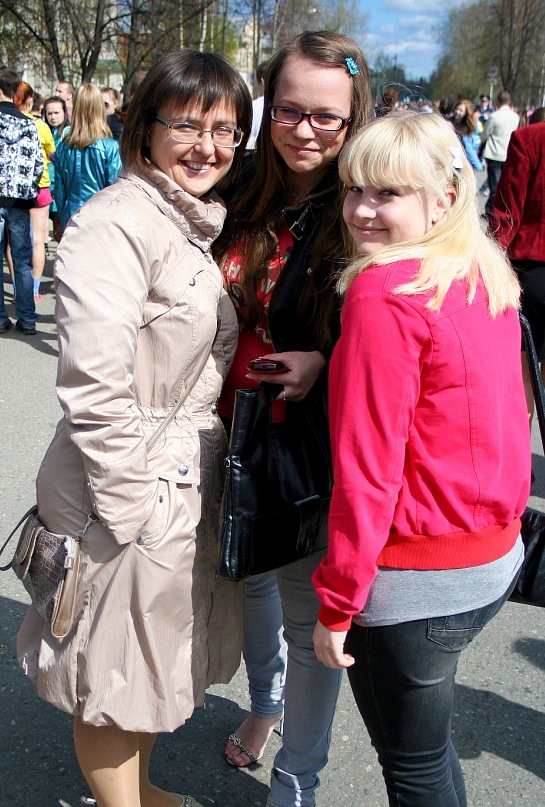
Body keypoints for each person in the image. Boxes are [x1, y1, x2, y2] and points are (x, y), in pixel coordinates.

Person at [16, 50, 252, 807]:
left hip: (175, 480)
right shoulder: (116, 222)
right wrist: (132, 506)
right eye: (185, 125)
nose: (206, 146)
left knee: (145, 664)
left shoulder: (184, 221)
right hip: (123, 487)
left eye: (224, 129)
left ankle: (141, 790)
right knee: (108, 673)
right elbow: (93, 384)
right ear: (144, 128)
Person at [312, 110, 530, 807]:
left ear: (443, 199)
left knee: (413, 767)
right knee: (427, 759)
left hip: (415, 577)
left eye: (387, 193)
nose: (361, 210)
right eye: (354, 188)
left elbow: (367, 469)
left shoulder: (384, 292)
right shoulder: (476, 269)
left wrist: (337, 602)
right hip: (490, 556)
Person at [213, 30, 373, 807]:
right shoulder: (239, 182)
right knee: (249, 579)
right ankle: (264, 702)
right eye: (287, 110)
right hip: (223, 424)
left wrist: (326, 363)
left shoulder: (364, 202)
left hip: (306, 441)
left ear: (353, 119)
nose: (304, 130)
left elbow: (406, 326)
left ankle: (296, 779)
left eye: (325, 116)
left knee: (307, 615)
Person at [489, 109, 545, 419]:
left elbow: (507, 211)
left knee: (525, 371)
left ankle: (520, 446)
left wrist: (489, 263)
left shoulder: (529, 139)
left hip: (533, 269)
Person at [0, 68, 42, 336]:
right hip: (19, 201)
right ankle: (27, 318)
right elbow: (38, 164)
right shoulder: (29, 124)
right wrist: (28, 188)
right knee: (22, 261)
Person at [54, 83, 121, 234]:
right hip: (101, 218)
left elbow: (59, 191)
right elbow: (115, 188)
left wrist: (64, 218)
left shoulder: (63, 148)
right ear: (99, 108)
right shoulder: (110, 147)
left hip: (72, 215)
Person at [13, 81, 56, 300]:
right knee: (39, 239)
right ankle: (34, 289)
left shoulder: (7, 122)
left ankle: (18, 288)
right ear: (30, 100)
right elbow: (52, 153)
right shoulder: (40, 126)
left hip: (15, 189)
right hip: (40, 185)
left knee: (14, 242)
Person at [481, 89, 519, 216]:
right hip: (508, 153)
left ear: (498, 101)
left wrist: (480, 144)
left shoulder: (494, 116)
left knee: (494, 186)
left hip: (494, 153)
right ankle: (497, 208)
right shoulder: (515, 117)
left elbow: (485, 134)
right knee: (504, 184)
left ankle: (491, 210)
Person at [44, 95, 70, 242]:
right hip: (46, 185)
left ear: (64, 113)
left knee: (60, 231)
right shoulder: (44, 130)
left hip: (61, 187)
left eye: (56, 113)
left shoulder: (68, 133)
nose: (53, 117)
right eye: (49, 113)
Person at [451, 99, 482, 172]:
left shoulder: (468, 128)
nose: (457, 112)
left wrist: (477, 164)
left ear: (466, 113)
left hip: (464, 162)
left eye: (460, 110)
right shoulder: (448, 122)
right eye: (457, 109)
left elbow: (469, 148)